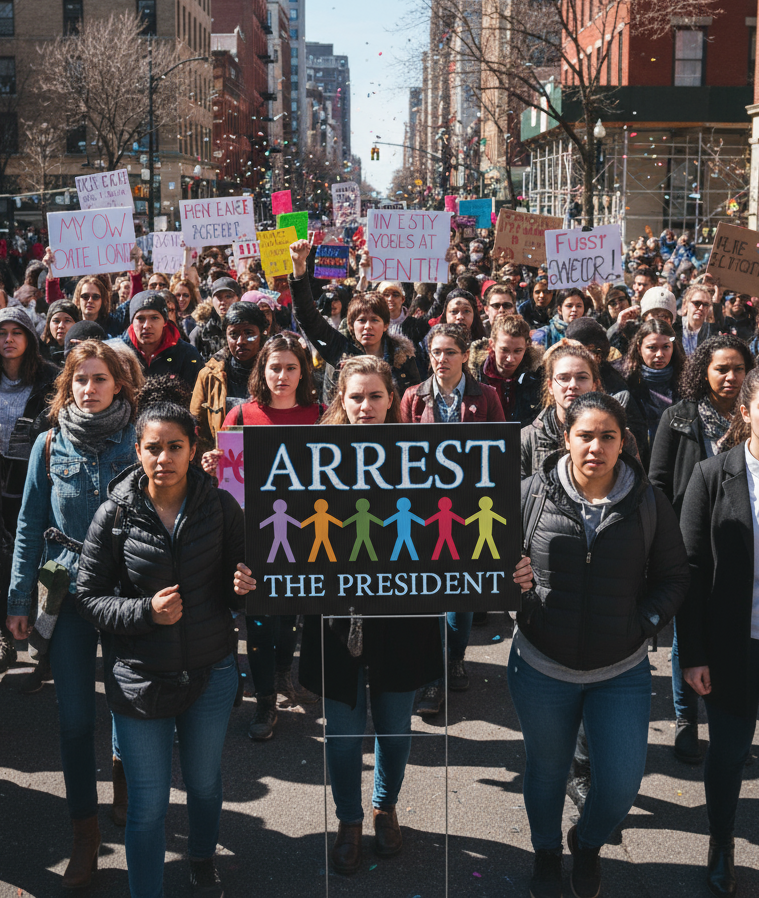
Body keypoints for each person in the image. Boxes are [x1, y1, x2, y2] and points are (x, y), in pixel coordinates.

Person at [512, 392, 689, 898]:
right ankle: (546, 851)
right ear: (566, 438)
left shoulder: (648, 501)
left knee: (619, 785)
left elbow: (675, 577)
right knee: (546, 773)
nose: (596, 446)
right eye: (585, 435)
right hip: (541, 666)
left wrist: (643, 622)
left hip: (621, 670)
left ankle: (585, 844)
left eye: (607, 436)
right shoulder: (529, 493)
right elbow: (486, 566)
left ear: (622, 441)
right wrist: (512, 582)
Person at [75, 401, 255, 898]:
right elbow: (88, 597)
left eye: (175, 447)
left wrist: (243, 584)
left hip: (211, 672)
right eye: (153, 448)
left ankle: (201, 857)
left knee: (203, 784)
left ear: (193, 450)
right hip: (139, 680)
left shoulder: (221, 507)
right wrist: (144, 613)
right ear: (137, 451)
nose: (164, 458)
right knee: (149, 806)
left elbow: (240, 577)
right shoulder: (113, 515)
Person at [299, 355, 444, 875]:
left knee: (395, 727)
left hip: (403, 609)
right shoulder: (311, 454)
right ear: (341, 398)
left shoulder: (423, 453)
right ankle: (349, 819)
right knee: (340, 729)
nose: (365, 406)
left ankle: (385, 806)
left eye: (375, 396)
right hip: (337, 612)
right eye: (355, 397)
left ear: (391, 399)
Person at [5, 341, 138, 887]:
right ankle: (85, 835)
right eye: (80, 379)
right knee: (74, 720)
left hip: (129, 593)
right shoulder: (47, 443)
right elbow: (29, 524)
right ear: (68, 386)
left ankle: (124, 778)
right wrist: (18, 601)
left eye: (100, 378)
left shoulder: (140, 440)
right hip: (68, 593)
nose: (89, 387)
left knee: (131, 709)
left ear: (119, 384)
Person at [201, 332, 321, 739]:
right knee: (259, 616)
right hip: (253, 534)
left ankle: (285, 672)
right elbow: (225, 477)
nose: (282, 376)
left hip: (304, 532)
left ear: (303, 371)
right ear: (262, 370)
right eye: (275, 368)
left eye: (291, 368)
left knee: (289, 613)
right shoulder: (241, 416)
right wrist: (212, 463)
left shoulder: (321, 414)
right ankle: (265, 700)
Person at [649, 334, 753, 763]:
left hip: (741, 546)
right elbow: (657, 481)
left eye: (738, 369)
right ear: (703, 371)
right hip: (687, 542)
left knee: (734, 634)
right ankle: (686, 719)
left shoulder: (754, 418)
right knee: (686, 635)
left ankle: (730, 721)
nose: (730, 377)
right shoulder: (678, 417)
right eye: (721, 368)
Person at [678, 368, 759, 898]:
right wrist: (694, 653)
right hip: (733, 646)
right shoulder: (712, 475)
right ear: (746, 411)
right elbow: (688, 572)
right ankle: (722, 840)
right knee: (728, 755)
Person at [401, 323, 503, 710]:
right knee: (428, 596)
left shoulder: (486, 396)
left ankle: (455, 658)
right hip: (424, 510)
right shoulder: (413, 397)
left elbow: (498, 450)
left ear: (464, 356)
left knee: (461, 594)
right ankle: (432, 677)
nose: (441, 359)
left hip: (470, 509)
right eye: (436, 352)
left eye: (449, 352)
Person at [289, 240, 420, 402]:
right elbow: (306, 316)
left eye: (375, 320)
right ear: (351, 325)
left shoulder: (403, 356)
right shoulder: (339, 349)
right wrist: (299, 268)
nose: (368, 326)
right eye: (361, 320)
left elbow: (413, 402)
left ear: (386, 325)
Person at [521, 341, 638, 478]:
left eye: (582, 378)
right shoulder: (527, 439)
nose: (573, 385)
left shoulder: (618, 437)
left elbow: (637, 489)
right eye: (563, 378)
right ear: (550, 386)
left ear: (595, 384)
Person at [190, 303, 269, 456]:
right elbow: (197, 427)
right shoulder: (210, 376)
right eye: (233, 334)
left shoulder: (275, 373)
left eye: (249, 333)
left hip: (268, 456)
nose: (241, 341)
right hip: (225, 463)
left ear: (262, 334)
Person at [621, 319, 684, 456]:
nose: (660, 354)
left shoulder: (685, 380)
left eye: (666, 347)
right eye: (652, 348)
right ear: (639, 348)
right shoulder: (626, 381)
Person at [117, 290, 203, 388]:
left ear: (165, 322)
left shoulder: (187, 354)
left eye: (154, 318)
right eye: (140, 318)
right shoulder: (117, 354)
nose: (147, 325)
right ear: (132, 322)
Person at [470, 313, 542, 425]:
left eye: (518, 351)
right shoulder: (472, 376)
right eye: (504, 350)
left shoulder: (537, 377)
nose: (510, 359)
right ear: (492, 345)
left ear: (527, 347)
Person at [191, 276, 242, 361]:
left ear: (238, 298)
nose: (223, 302)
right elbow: (191, 362)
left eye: (228, 296)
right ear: (212, 300)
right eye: (219, 297)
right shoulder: (202, 331)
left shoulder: (246, 326)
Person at [675, 284, 722, 355]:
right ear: (685, 304)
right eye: (696, 303)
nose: (701, 308)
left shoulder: (711, 332)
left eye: (705, 304)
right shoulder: (675, 327)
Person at [40, 299, 80, 365]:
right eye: (56, 321)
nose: (61, 326)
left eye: (67, 320)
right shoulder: (39, 352)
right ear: (48, 324)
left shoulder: (82, 351)